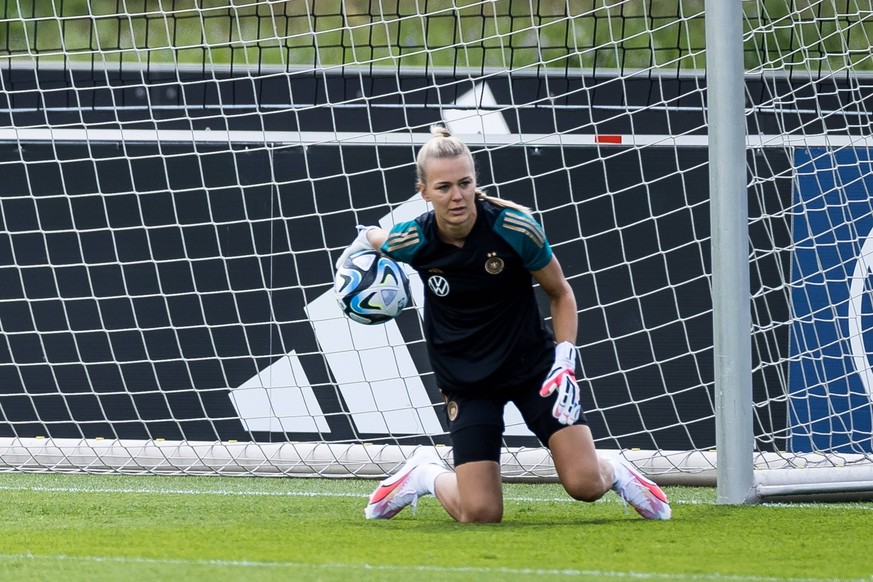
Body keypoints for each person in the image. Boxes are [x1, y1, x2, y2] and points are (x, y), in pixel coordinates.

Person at [336, 125, 671, 523]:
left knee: (585, 484)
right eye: (443, 187)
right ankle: (424, 474)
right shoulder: (413, 240)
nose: (457, 196)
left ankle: (615, 470)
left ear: (476, 182)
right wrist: (356, 246)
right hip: (467, 381)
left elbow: (561, 293)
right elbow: (378, 238)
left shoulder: (514, 228)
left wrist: (565, 360)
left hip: (533, 370)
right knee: (480, 514)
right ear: (423, 192)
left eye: (464, 183)